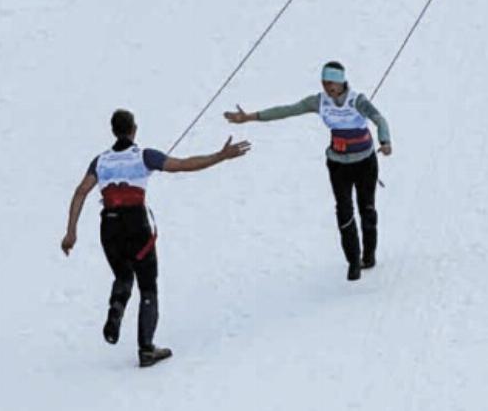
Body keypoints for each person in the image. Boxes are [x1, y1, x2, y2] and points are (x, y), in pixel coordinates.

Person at [61, 109, 248, 368]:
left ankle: (116, 311)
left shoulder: (100, 161)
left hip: (109, 227)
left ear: (113, 131)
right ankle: (146, 349)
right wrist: (220, 156)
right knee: (147, 285)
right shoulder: (144, 156)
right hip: (136, 224)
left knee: (123, 276)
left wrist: (71, 232)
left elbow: (81, 192)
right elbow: (183, 165)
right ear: (134, 129)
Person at [225, 62, 392, 283]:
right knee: (344, 210)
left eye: (331, 83)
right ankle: (353, 261)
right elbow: (287, 110)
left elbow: (379, 119)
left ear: (341, 82)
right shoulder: (318, 101)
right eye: (324, 83)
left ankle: (368, 255)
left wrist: (385, 140)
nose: (327, 87)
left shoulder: (357, 100)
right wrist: (250, 117)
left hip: (365, 163)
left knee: (367, 208)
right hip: (338, 164)